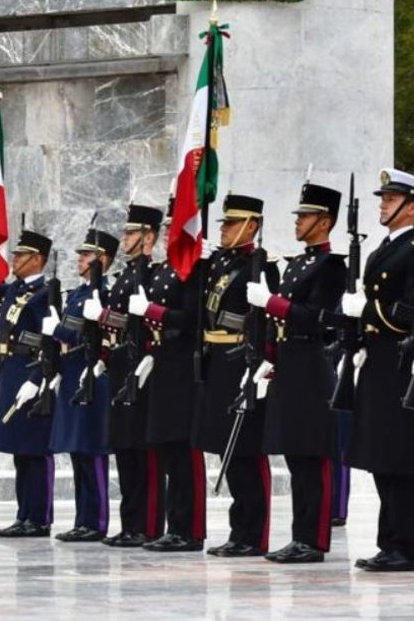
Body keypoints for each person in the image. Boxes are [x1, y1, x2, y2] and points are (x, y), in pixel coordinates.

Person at [247, 181, 345, 563]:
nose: (298, 221)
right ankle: (299, 534)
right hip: (289, 365)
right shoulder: (299, 264)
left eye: (305, 216)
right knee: (294, 455)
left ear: (325, 221)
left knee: (313, 455)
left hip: (311, 364)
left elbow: (319, 320)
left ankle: (315, 538)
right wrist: (269, 355)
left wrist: (273, 303)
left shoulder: (331, 267)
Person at [342, 169, 414, 572]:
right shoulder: (383, 248)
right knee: (381, 457)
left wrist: (371, 312)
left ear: (412, 206)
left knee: (401, 459)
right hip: (377, 361)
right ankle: (388, 540)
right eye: (382, 198)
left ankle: (406, 545)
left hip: (399, 361)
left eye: (391, 199)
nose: (382, 204)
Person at [193, 194, 278, 557]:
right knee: (229, 453)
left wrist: (260, 364)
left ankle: (254, 534)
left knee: (246, 450)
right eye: (224, 223)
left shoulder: (261, 267)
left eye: (231, 224)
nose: (224, 230)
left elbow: (266, 323)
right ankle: (237, 529)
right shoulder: (221, 265)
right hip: (219, 361)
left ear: (251, 225)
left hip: (243, 360)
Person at [94, 205, 165, 547]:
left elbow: (143, 322)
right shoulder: (126, 274)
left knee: (142, 451)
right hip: (122, 363)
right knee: (124, 449)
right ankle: (130, 523)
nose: (124, 238)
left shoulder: (151, 273)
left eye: (131, 233)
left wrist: (107, 315)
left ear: (148, 236)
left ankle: (148, 525)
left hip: (142, 366)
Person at [135, 216, 206, 553]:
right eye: (164, 229)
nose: (167, 234)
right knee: (166, 447)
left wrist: (154, 312)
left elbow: (193, 319)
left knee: (183, 450)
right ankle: (173, 524)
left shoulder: (191, 269)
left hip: (182, 366)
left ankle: (189, 529)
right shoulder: (165, 270)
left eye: (172, 229)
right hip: (162, 362)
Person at [46, 229, 118, 542]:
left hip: (94, 377)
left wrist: (60, 332)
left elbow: (99, 339)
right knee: (78, 453)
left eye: (86, 255)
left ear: (103, 260)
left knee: (93, 450)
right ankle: (82, 519)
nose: (80, 258)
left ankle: (97, 521)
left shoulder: (106, 293)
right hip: (73, 374)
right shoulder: (76, 294)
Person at [0, 230, 55, 538]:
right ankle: (23, 514)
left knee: (35, 450)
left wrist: (37, 379)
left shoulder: (45, 293)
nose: (13, 259)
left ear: (37, 259)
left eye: (20, 255)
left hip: (32, 370)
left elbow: (49, 341)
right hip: (11, 370)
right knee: (19, 451)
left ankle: (39, 517)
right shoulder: (12, 291)